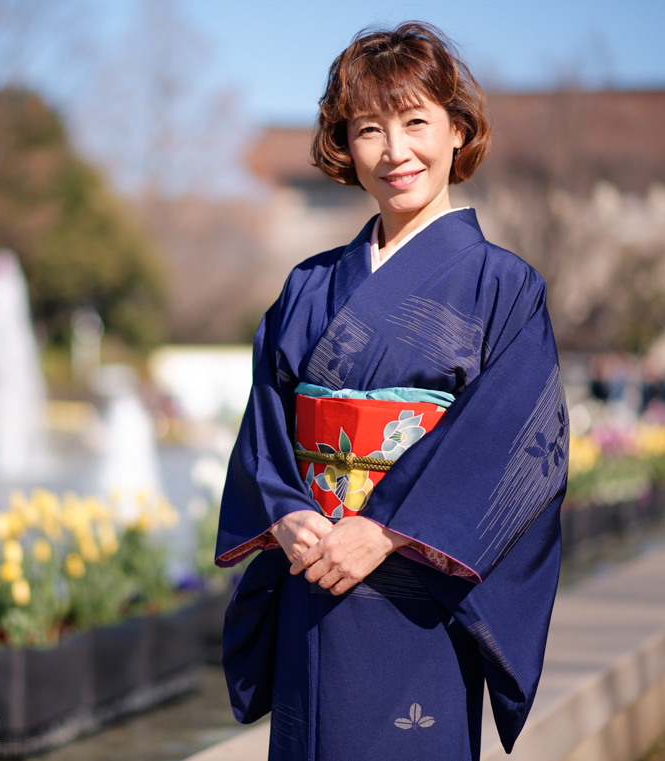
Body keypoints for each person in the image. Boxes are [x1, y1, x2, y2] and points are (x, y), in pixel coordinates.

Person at [215, 23, 568, 761]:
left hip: (417, 591)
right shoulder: (308, 286)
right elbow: (267, 425)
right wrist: (282, 513)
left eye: (415, 122)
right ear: (346, 144)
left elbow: (514, 441)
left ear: (457, 129)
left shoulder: (504, 287)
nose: (395, 151)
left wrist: (385, 529)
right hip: (313, 575)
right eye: (368, 129)